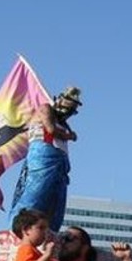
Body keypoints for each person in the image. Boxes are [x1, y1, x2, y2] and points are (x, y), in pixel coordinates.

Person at [7, 87, 83, 232]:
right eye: (66, 108)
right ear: (59, 102)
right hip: (43, 156)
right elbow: (50, 129)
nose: (66, 114)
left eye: (70, 111)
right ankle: (20, 227)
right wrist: (69, 136)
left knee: (56, 201)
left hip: (61, 162)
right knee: (35, 193)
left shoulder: (64, 123)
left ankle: (50, 231)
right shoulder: (45, 109)